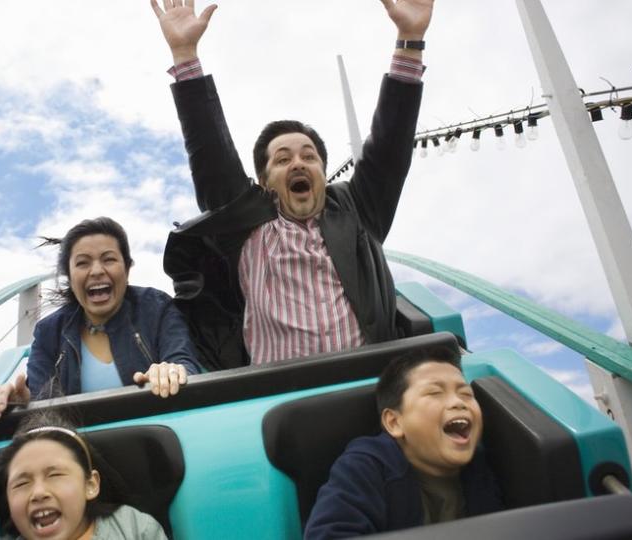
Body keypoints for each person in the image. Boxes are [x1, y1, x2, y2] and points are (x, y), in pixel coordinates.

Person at [152, 0, 433, 370]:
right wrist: (185, 55)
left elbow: (389, 146)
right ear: (264, 182)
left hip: (368, 388)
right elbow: (211, 153)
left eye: (308, 156)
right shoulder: (244, 227)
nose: (298, 162)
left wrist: (409, 40)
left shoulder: (357, 211)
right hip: (280, 399)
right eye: (282, 159)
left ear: (322, 170)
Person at [0, 217, 200, 422]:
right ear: (70, 277)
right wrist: (20, 402)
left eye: (109, 259)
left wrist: (172, 371)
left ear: (127, 269)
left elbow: (185, 364)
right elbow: (42, 403)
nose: (97, 271)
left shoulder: (156, 307)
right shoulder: (49, 331)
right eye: (83, 263)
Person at [304, 345, 504, 539]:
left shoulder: (481, 467)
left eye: (466, 394)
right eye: (435, 393)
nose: (458, 402)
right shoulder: (364, 465)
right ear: (394, 422)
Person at [0, 412, 168, 540]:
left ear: (91, 485)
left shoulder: (134, 529)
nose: (38, 493)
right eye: (21, 484)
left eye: (55, 475)